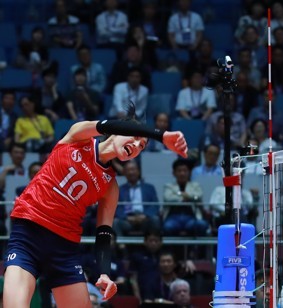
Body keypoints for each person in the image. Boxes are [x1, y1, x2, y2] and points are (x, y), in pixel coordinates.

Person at [2, 105, 188, 307]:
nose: (136, 146)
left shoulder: (111, 186)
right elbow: (108, 125)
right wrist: (161, 135)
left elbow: (104, 234)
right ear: (117, 131)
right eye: (134, 137)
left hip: (64, 250)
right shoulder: (77, 137)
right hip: (29, 236)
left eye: (141, 146)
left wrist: (105, 273)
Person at [114, 159, 161, 236]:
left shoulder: (149, 187)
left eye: (133, 169)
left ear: (138, 171)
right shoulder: (120, 189)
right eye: (128, 170)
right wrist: (127, 218)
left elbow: (155, 205)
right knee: (115, 222)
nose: (131, 172)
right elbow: (117, 208)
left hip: (145, 218)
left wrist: (145, 216)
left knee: (155, 220)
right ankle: (122, 246)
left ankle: (153, 245)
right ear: (124, 173)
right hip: (128, 220)